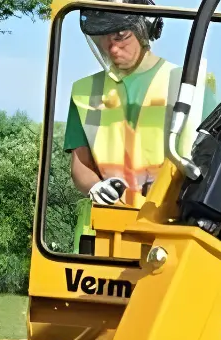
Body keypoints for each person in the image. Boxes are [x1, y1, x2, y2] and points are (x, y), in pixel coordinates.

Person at [65, 0, 176, 208]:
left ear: (146, 28)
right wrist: (95, 187)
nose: (113, 48)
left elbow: (207, 159)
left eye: (120, 36)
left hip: (168, 225)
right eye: (103, 38)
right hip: (105, 225)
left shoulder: (184, 84)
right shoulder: (84, 92)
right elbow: (79, 166)